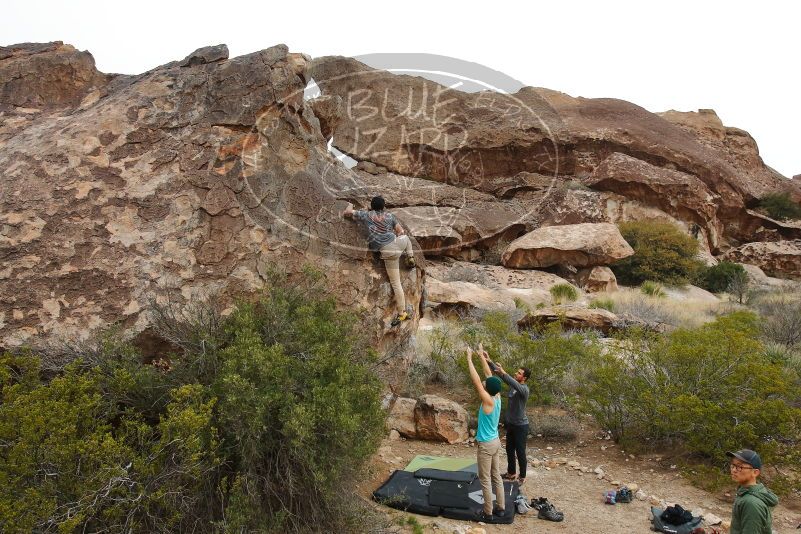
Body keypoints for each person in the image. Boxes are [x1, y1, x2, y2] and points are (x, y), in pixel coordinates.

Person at [343, 196, 416, 325]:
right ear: (383, 206)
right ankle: (410, 256)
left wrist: (350, 204)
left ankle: (402, 313)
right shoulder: (389, 216)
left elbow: (347, 213)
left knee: (396, 284)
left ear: (372, 206)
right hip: (398, 243)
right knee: (405, 237)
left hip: (388, 252)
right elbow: (400, 231)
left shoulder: (366, 215)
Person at [479, 346, 531, 485]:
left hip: (521, 426)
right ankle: (511, 473)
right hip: (511, 425)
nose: (516, 373)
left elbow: (509, 379)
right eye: (517, 372)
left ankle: (522, 476)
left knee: (520, 451)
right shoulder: (514, 386)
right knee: (509, 450)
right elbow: (502, 375)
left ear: (524, 378)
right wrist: (488, 360)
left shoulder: (524, 390)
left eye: (519, 373)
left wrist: (504, 373)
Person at [466, 345, 505, 521]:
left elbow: (476, 380)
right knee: (496, 475)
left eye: (485, 385)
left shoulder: (488, 401)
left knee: (485, 479)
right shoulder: (496, 396)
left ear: (487, 389)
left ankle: (488, 512)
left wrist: (469, 358)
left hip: (487, 445)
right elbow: (489, 375)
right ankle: (501, 508)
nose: (483, 382)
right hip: (496, 442)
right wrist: (481, 355)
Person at [727, 448, 778, 534]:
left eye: (739, 467)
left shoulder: (751, 503)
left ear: (755, 473)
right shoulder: (744, 493)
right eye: (733, 465)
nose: (734, 470)